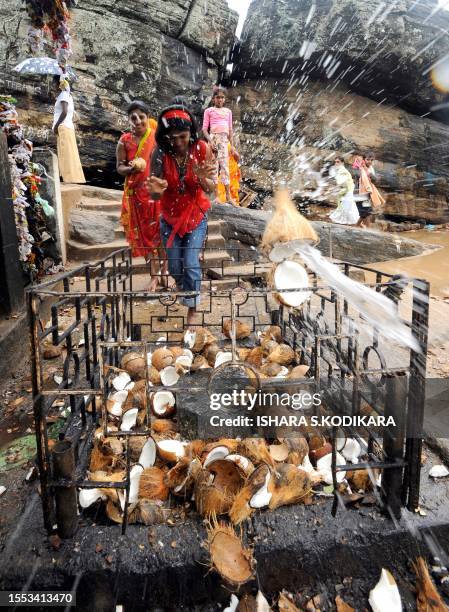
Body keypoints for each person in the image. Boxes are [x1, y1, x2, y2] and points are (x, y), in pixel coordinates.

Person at [148, 105, 216, 327]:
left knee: (191, 262)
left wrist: (201, 178)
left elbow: (211, 189)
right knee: (175, 266)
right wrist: (156, 190)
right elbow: (154, 192)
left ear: (191, 134)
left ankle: (193, 308)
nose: (178, 142)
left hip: (195, 215)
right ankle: (185, 289)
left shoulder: (201, 149)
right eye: (173, 138)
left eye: (183, 137)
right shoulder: (159, 153)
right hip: (169, 217)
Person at [116, 100, 169, 292]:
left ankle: (165, 270)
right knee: (146, 238)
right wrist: (130, 167)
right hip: (136, 195)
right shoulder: (125, 141)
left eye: (141, 117)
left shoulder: (157, 137)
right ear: (129, 120)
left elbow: (167, 162)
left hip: (156, 194)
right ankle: (154, 276)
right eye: (133, 118)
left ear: (148, 118)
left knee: (161, 234)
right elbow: (119, 167)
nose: (138, 121)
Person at [202, 85, 238, 205]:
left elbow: (231, 130)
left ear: (225, 99)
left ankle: (228, 196)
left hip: (224, 141)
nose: (220, 100)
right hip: (213, 139)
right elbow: (204, 130)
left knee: (225, 167)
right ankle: (217, 196)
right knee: (214, 167)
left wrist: (232, 146)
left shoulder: (228, 112)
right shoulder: (209, 111)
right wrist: (210, 141)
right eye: (218, 97)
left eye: (222, 97)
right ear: (213, 99)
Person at [52, 75, 85, 184]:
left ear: (58, 84)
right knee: (70, 154)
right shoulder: (67, 95)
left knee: (65, 155)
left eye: (53, 82)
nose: (53, 85)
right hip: (68, 127)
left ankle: (68, 179)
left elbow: (65, 112)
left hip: (63, 127)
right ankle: (73, 178)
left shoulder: (63, 95)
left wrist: (56, 126)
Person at [353, 152, 386, 228]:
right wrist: (363, 168)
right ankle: (366, 228)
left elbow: (374, 180)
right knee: (366, 211)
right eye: (368, 159)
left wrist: (369, 173)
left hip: (366, 193)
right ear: (364, 159)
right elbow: (357, 177)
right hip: (359, 192)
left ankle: (359, 226)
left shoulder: (370, 169)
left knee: (366, 212)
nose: (370, 161)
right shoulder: (359, 168)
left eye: (371, 160)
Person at [329, 156, 359, 225]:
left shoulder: (342, 170)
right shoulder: (339, 169)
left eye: (338, 162)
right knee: (349, 205)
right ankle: (346, 220)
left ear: (342, 162)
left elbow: (342, 181)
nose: (336, 163)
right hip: (347, 189)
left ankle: (340, 219)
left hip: (348, 189)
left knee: (347, 205)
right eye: (335, 162)